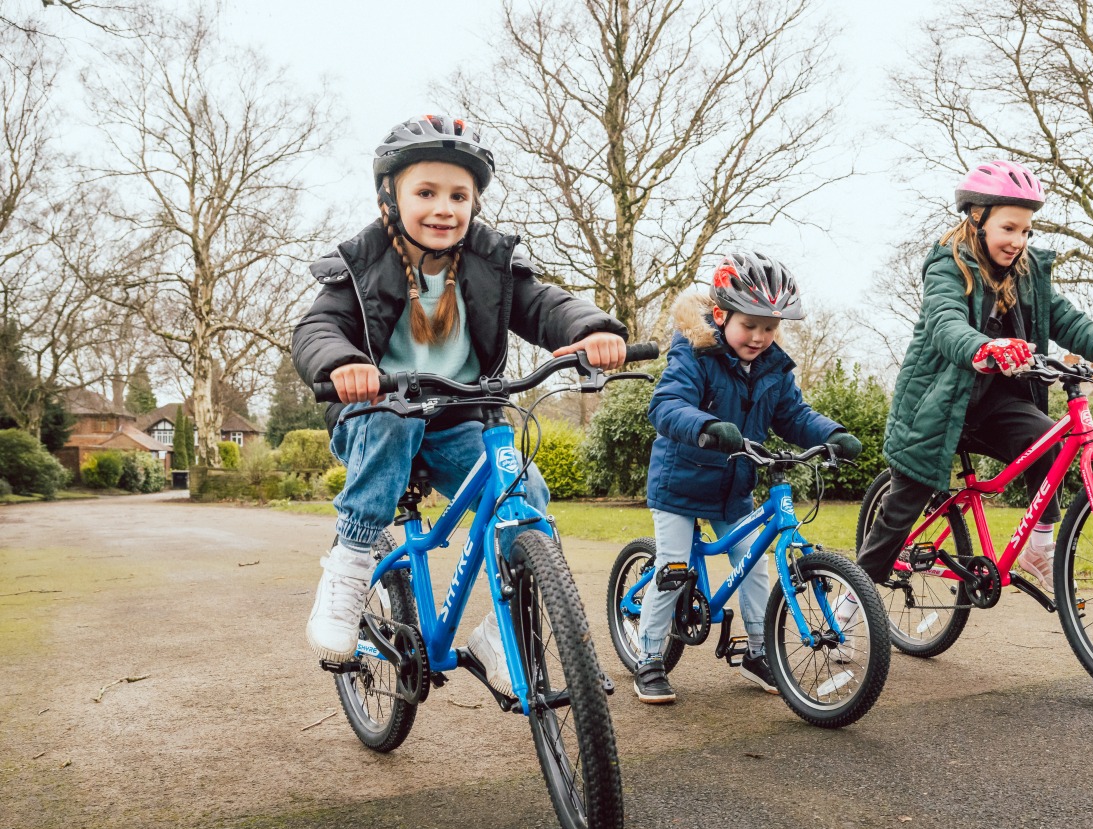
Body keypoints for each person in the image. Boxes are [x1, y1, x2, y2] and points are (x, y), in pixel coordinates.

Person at [292, 114, 628, 686]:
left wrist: (591, 328)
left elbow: (545, 304)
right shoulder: (361, 263)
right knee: (392, 425)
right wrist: (343, 364)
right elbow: (318, 327)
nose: (443, 208)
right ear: (390, 199)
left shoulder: (489, 261)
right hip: (377, 414)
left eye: (458, 195)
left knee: (526, 493)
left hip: (457, 419)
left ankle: (504, 633)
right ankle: (349, 569)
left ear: (474, 204)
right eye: (426, 192)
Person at [848, 159, 1093, 610]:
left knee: (1046, 438)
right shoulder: (947, 267)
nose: (1018, 241)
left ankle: (1040, 548)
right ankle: (851, 607)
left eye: (1027, 231)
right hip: (937, 405)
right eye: (1009, 228)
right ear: (977, 218)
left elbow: (1067, 320)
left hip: (994, 406)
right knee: (901, 509)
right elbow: (946, 323)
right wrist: (985, 348)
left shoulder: (1026, 274)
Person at [632, 251, 863, 704]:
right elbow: (666, 405)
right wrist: (705, 427)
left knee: (755, 564)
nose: (759, 337)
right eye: (749, 325)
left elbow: (793, 415)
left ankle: (760, 652)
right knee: (673, 570)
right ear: (721, 315)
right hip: (679, 483)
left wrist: (833, 434)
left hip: (734, 489)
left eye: (770, 327)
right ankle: (650, 657)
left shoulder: (775, 369)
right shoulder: (694, 353)